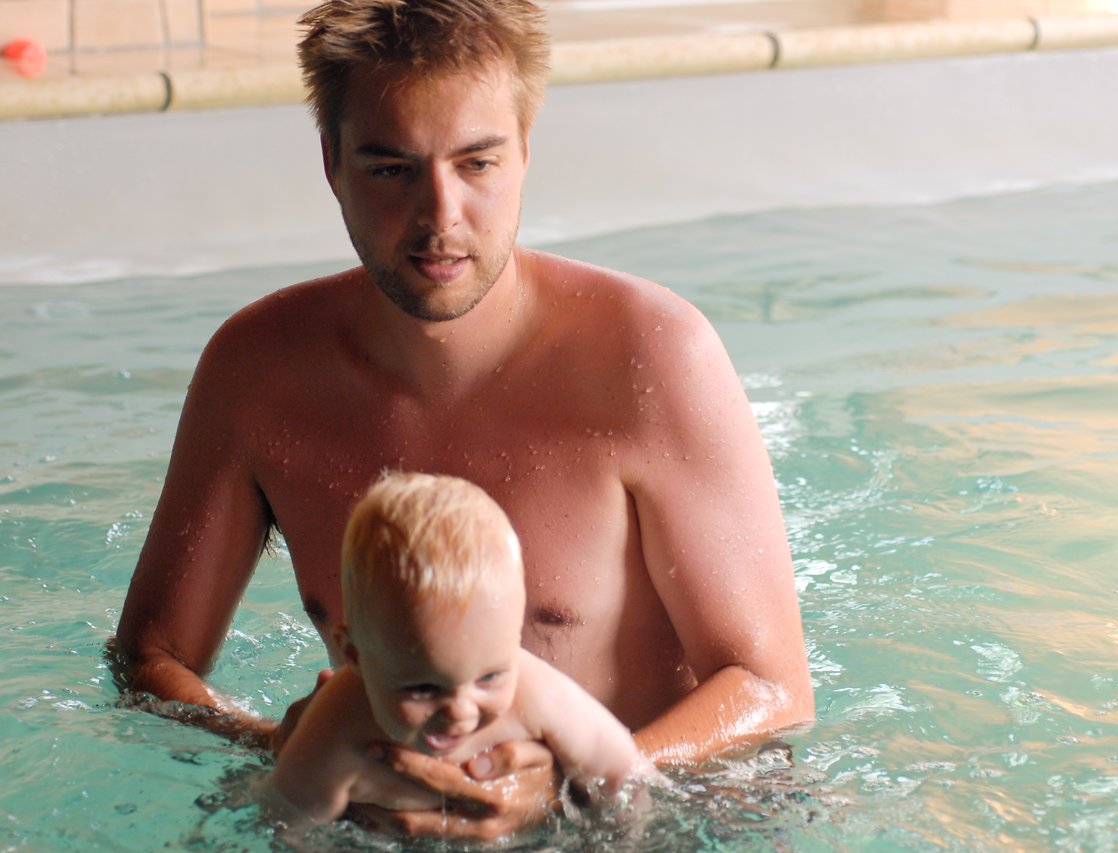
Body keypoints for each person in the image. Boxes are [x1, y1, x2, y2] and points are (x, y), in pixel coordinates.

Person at [115, 0, 813, 839]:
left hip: (637, 823)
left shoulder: (655, 358)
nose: (440, 216)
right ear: (332, 163)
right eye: (391, 169)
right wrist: (284, 748)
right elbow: (150, 661)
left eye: (477, 163)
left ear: (525, 152)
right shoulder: (257, 373)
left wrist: (571, 788)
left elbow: (771, 689)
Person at [264, 472, 656, 830]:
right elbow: (283, 824)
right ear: (354, 656)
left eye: (490, 676)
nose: (460, 710)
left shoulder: (538, 695)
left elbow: (629, 781)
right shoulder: (339, 721)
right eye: (424, 689)